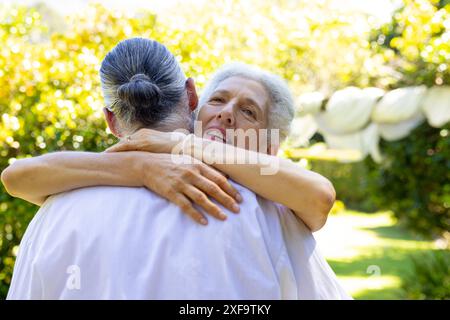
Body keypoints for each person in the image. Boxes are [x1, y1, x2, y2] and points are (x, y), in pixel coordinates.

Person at [2, 38, 350, 299]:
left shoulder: (56, 211)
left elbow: (319, 196)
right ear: (194, 101)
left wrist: (178, 145)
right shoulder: (259, 213)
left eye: (249, 112)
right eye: (219, 100)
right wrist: (139, 167)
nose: (227, 113)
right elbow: (16, 177)